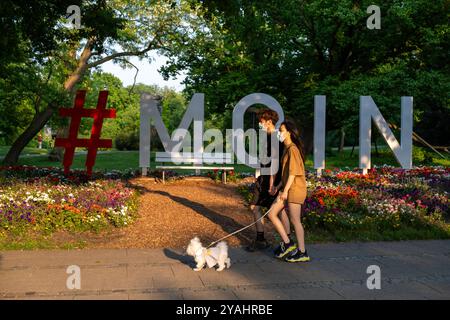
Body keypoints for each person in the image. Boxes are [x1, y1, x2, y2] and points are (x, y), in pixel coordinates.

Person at [246, 110, 293, 252]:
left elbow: (276, 162)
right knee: (257, 207)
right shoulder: (267, 137)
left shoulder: (274, 138)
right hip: (265, 178)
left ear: (269, 122)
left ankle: (288, 242)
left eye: (261, 121)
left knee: (278, 210)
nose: (260, 124)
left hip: (272, 179)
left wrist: (274, 184)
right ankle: (261, 240)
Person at [268, 119, 310, 262]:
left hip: (295, 189)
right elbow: (286, 174)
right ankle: (288, 243)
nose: (279, 133)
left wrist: (284, 191)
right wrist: (278, 187)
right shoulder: (287, 149)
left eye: (281, 131)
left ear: (289, 133)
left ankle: (302, 252)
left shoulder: (293, 149)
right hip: (287, 188)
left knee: (295, 220)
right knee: (272, 213)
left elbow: (293, 173)